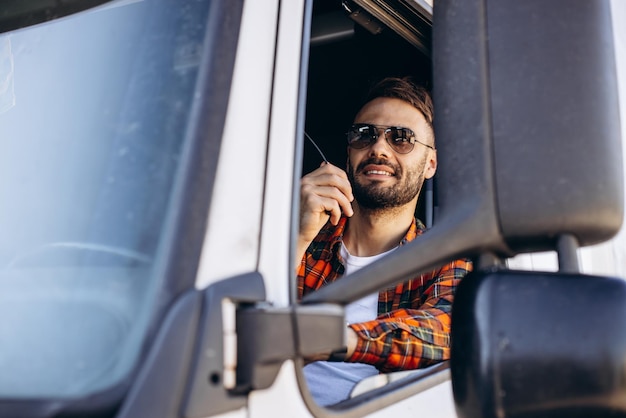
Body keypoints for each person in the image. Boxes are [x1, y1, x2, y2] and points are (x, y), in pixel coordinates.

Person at [297, 77, 472, 406]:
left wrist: (332, 340)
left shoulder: (445, 257)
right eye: (365, 135)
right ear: (349, 151)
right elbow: (240, 319)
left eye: (401, 138)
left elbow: (444, 330)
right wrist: (298, 237)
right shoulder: (304, 237)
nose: (378, 148)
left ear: (431, 163)